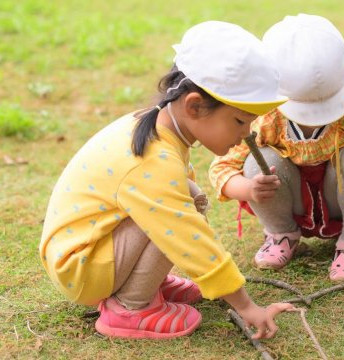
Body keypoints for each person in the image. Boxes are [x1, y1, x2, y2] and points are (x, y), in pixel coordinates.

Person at [39, 21, 293, 339]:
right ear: (195, 106)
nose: (246, 134)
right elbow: (186, 235)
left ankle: (144, 284)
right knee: (179, 212)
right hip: (82, 267)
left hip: (88, 250)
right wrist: (245, 305)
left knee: (189, 195)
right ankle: (130, 308)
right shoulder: (152, 158)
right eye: (240, 120)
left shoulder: (156, 124)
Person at [209, 14, 344, 282]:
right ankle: (281, 234)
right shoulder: (265, 115)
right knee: (259, 160)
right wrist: (248, 189)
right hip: (291, 200)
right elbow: (223, 166)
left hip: (340, 198)